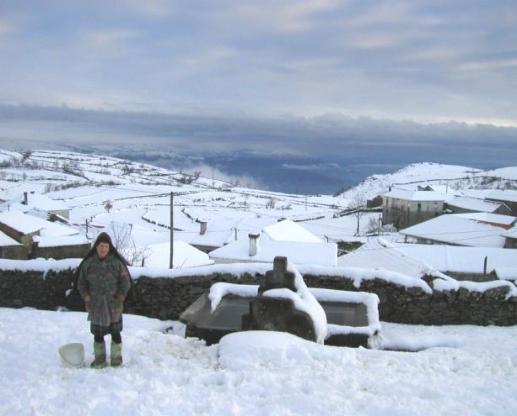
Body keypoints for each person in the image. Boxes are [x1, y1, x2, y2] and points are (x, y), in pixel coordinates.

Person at [77, 232, 131, 368]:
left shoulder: (117, 264)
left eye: (106, 246)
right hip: (96, 306)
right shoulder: (88, 264)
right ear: (96, 247)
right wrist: (86, 297)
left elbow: (125, 282)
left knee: (116, 333)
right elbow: (81, 283)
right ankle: (100, 360)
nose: (103, 249)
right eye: (101, 246)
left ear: (109, 247)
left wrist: (120, 296)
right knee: (98, 334)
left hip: (114, 305)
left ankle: (116, 360)